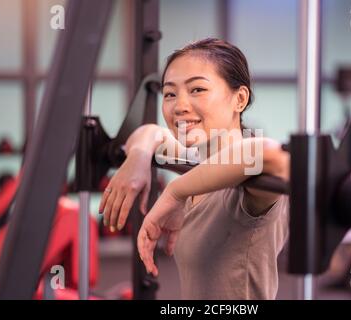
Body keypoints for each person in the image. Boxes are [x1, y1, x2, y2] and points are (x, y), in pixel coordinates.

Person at [99, 38, 290, 300]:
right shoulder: (200, 165)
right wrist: (139, 157)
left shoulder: (250, 184)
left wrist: (174, 192)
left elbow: (271, 154)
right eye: (170, 94)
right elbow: (149, 132)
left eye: (197, 89)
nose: (180, 106)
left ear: (240, 99)